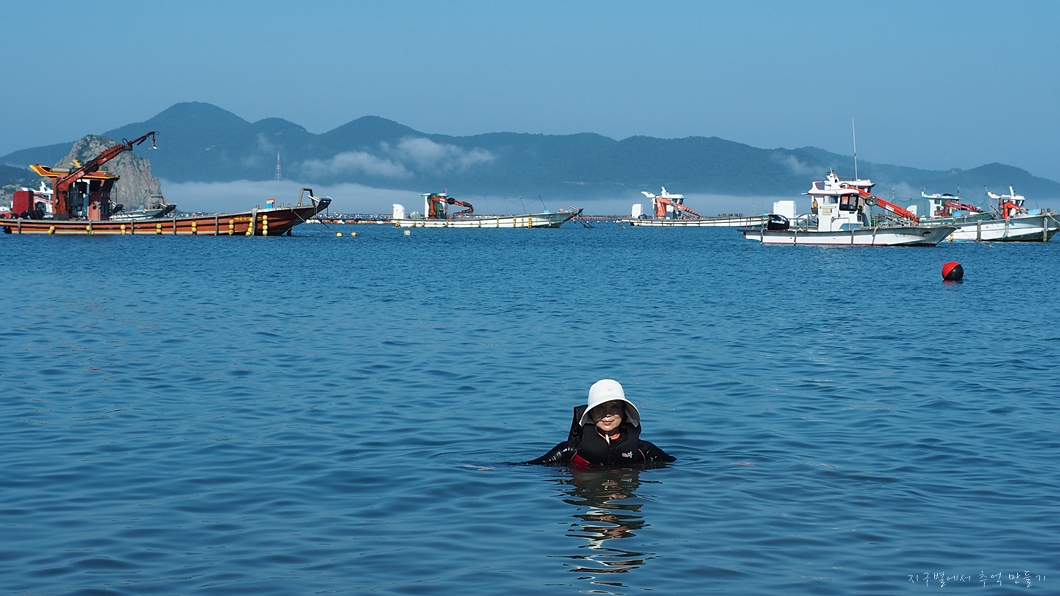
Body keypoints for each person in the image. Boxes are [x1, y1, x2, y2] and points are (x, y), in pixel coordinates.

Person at [525, 379, 675, 467]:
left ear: (624, 412)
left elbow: (675, 466)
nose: (607, 414)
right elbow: (531, 467)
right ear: (590, 413)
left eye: (614, 407)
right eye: (600, 408)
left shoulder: (642, 449)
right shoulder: (570, 449)